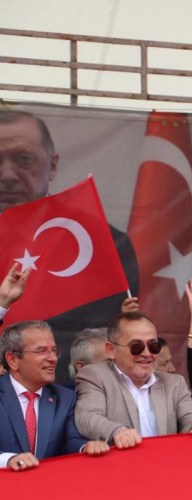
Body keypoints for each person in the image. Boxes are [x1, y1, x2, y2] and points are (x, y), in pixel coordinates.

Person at [0, 110, 139, 382]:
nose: (7, 174)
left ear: (52, 165)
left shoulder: (102, 245)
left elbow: (112, 338)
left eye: (23, 159)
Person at [74, 311, 192, 446]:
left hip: (166, 459)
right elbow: (88, 417)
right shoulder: (95, 376)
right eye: (136, 347)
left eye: (153, 346)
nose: (147, 353)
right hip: (122, 460)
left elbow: (190, 418)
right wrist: (117, 432)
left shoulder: (174, 383)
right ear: (111, 350)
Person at [0, 320, 108, 471]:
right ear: (13, 360)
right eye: (41, 351)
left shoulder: (65, 398)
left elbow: (70, 441)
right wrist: (8, 459)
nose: (53, 358)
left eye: (54, 351)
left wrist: (85, 447)